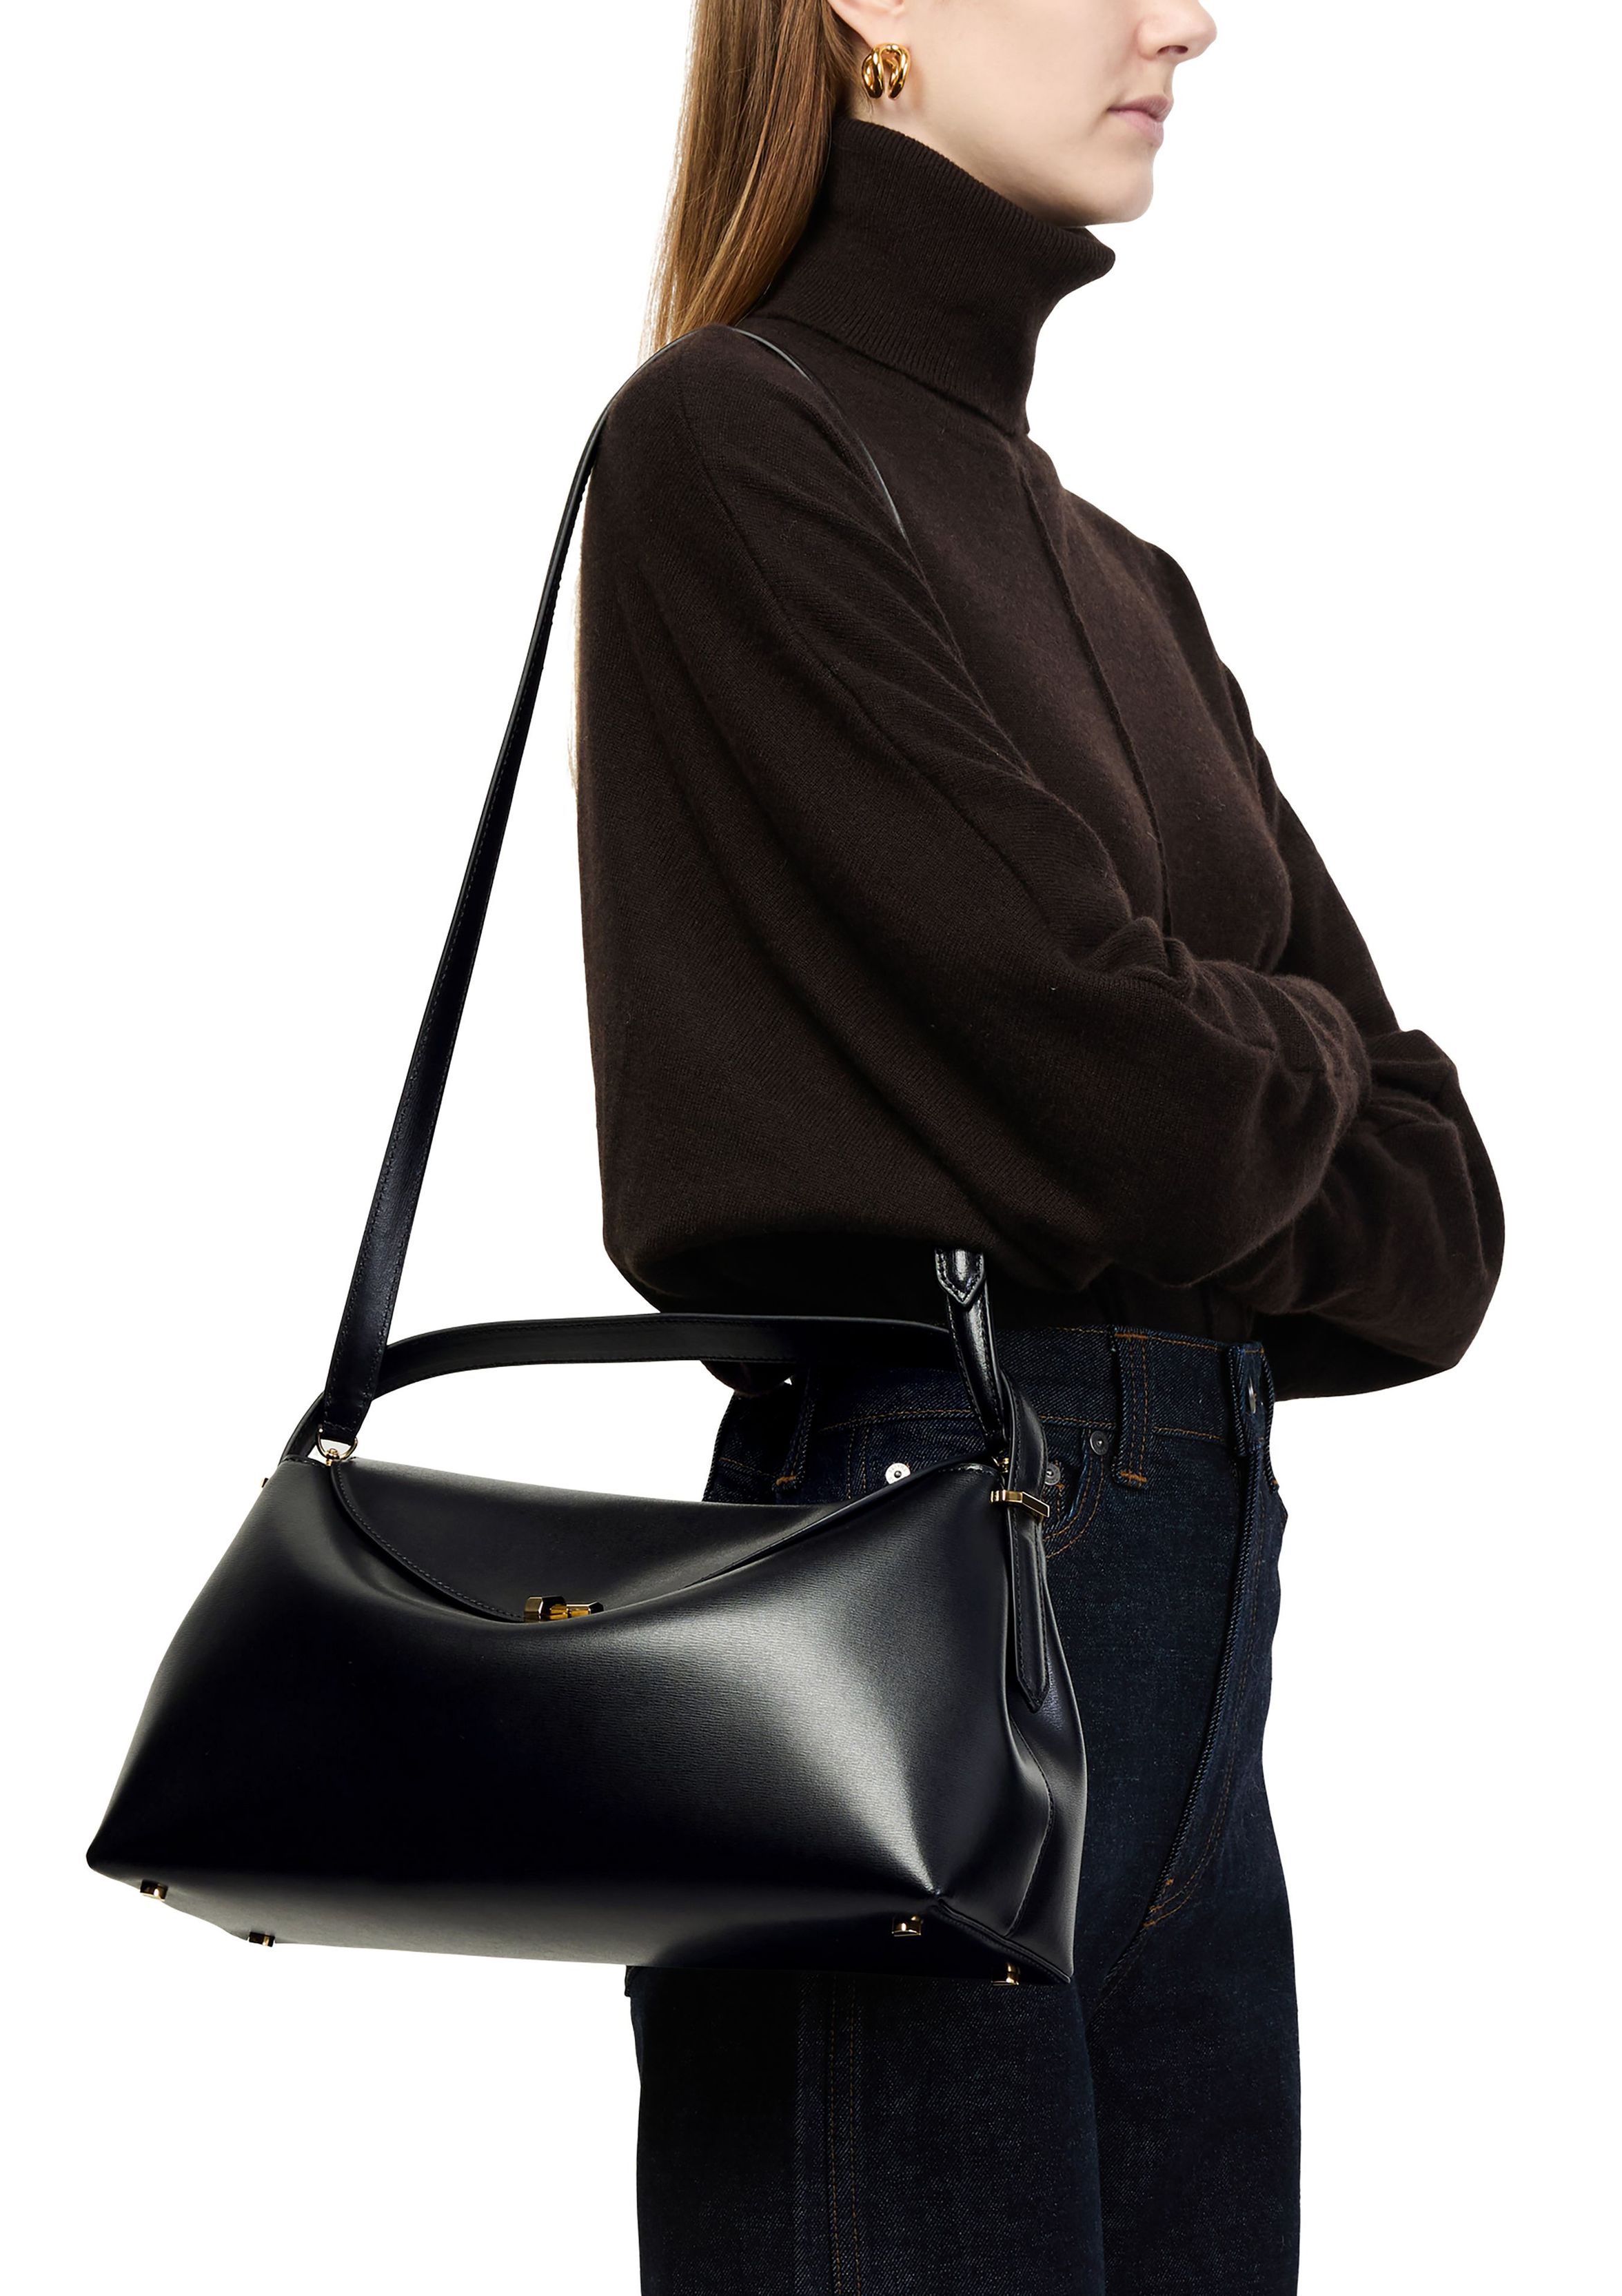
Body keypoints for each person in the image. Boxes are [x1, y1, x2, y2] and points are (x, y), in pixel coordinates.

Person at [573, 2, 1503, 2287]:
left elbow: (1444, 1225)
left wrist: (1199, 1067)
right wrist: (1269, 1060)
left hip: (1189, 1643)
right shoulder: (730, 444)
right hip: (897, 1610)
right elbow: (1142, 1106)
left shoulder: (1125, 582)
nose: (1185, 19)